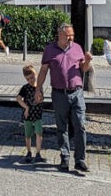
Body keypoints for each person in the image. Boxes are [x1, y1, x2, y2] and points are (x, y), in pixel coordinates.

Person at [36, 23, 92, 173]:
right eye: (68, 35)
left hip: (77, 92)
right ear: (60, 35)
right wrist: (38, 89)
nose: (71, 38)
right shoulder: (50, 50)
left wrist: (87, 61)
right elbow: (43, 71)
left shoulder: (77, 48)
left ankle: (80, 160)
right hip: (59, 93)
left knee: (80, 125)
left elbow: (83, 69)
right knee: (62, 127)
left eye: (72, 35)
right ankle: (65, 157)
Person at [16, 64, 45, 163]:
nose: (31, 80)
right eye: (28, 79)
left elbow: (41, 100)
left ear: (35, 74)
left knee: (38, 133)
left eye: (32, 77)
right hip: (27, 115)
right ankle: (28, 152)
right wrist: (26, 107)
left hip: (37, 114)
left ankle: (38, 153)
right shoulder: (25, 88)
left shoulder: (39, 87)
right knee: (28, 134)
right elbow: (18, 98)